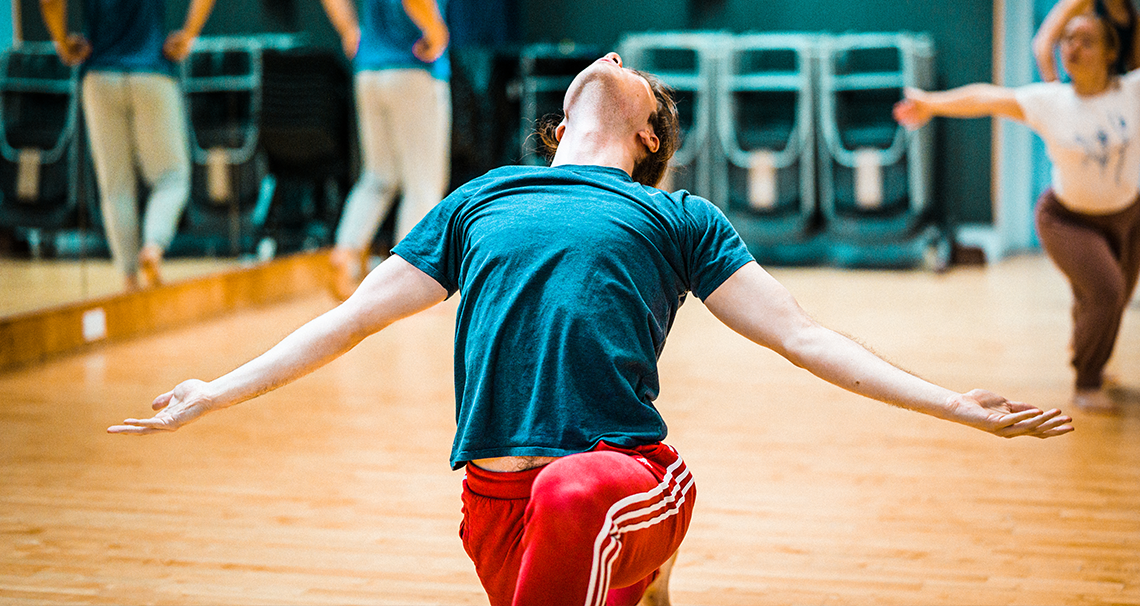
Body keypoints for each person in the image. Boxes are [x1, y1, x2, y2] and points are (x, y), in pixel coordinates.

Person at [109, 52, 1074, 606]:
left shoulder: (679, 218)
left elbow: (803, 336)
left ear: (652, 132)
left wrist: (957, 403)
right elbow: (350, 320)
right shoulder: (479, 199)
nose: (612, 59)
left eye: (636, 72)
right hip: (492, 504)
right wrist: (213, 391)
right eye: (606, 60)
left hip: (626, 475)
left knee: (579, 495)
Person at [895, 14, 1140, 414]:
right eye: (1066, 39)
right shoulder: (1052, 101)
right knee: (1106, 290)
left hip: (1129, 217)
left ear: (1112, 52)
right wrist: (930, 104)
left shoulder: (1132, 92)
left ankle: (1089, 346)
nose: (1072, 48)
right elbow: (986, 98)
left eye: (1086, 40)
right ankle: (1087, 381)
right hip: (1067, 219)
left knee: (1111, 296)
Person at [39, 0, 216, 289]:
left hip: (99, 76)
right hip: (152, 71)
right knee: (172, 179)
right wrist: (188, 34)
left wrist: (61, 41)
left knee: (115, 187)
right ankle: (153, 247)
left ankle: (129, 279)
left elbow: (49, 2)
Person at [318, 0, 452, 300]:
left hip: (370, 70)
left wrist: (348, 29)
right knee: (423, 184)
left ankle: (347, 250)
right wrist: (436, 30)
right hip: (414, 68)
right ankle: (409, 283)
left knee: (379, 176)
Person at [1033, 0, 1140, 81]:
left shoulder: (1133, 16)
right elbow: (1043, 43)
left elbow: (1135, 68)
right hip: (1079, 91)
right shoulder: (1083, 3)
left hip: (1112, 92)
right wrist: (1055, 89)